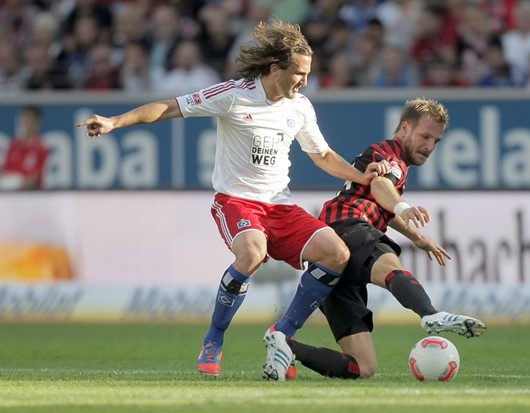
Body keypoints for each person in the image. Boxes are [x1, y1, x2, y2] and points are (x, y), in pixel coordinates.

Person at [76, 20, 389, 381]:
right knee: (252, 254)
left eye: (307, 74)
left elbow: (322, 155)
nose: (304, 81)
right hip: (237, 201)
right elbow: (169, 108)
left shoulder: (299, 107)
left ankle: (282, 334)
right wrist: (115, 122)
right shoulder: (235, 94)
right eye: (298, 73)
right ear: (275, 68)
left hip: (280, 206)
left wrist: (360, 175)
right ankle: (213, 339)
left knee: (337, 253)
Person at [282, 98, 487, 379]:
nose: (429, 146)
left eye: (436, 141)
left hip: (330, 255)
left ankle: (285, 347)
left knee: (363, 367)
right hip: (345, 227)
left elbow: (384, 206)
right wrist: (404, 206)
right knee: (390, 267)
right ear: (405, 128)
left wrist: (418, 238)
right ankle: (430, 313)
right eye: (425, 136)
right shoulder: (391, 155)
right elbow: (381, 186)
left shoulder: (395, 162)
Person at [0, 106, 50, 190]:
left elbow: (35, 178)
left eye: (31, 120)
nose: (27, 123)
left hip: (28, 193)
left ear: (37, 122)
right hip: (7, 192)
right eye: (25, 119)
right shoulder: (13, 145)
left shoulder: (41, 148)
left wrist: (17, 185)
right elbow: (4, 169)